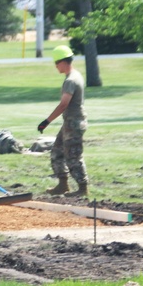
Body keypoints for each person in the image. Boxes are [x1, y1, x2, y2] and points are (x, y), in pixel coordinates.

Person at [38, 45, 89, 197]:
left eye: (56, 63)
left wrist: (46, 121)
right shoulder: (75, 76)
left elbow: (64, 104)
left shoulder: (71, 80)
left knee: (73, 155)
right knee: (57, 152)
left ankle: (82, 188)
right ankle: (62, 184)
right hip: (70, 122)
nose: (55, 66)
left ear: (63, 62)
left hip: (74, 123)